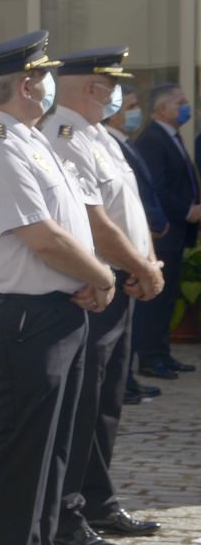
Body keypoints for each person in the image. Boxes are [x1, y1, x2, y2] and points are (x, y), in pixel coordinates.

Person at [0, 30, 112, 545]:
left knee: (52, 448)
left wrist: (87, 278)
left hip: (55, 306)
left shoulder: (24, 136)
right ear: (25, 84)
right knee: (21, 452)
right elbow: (40, 236)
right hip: (23, 313)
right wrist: (102, 275)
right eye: (41, 77)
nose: (45, 85)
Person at [46, 48, 164, 545]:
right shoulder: (66, 137)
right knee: (83, 406)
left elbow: (129, 212)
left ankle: (98, 501)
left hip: (123, 281)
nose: (118, 94)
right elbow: (95, 223)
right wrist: (139, 267)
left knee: (107, 402)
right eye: (109, 84)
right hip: (93, 287)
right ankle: (67, 513)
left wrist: (149, 263)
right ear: (91, 88)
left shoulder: (99, 136)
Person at [130, 83, 199, 380]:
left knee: (168, 297)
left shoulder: (171, 136)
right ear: (162, 109)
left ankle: (162, 353)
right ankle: (149, 358)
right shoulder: (153, 140)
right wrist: (187, 210)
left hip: (176, 234)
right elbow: (157, 188)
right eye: (180, 102)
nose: (187, 107)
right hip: (165, 231)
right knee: (156, 301)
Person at [106, 94, 165, 403]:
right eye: (129, 106)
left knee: (131, 324)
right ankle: (124, 381)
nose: (134, 112)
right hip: (118, 255)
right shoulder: (109, 143)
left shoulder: (123, 143)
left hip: (142, 242)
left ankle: (127, 379)